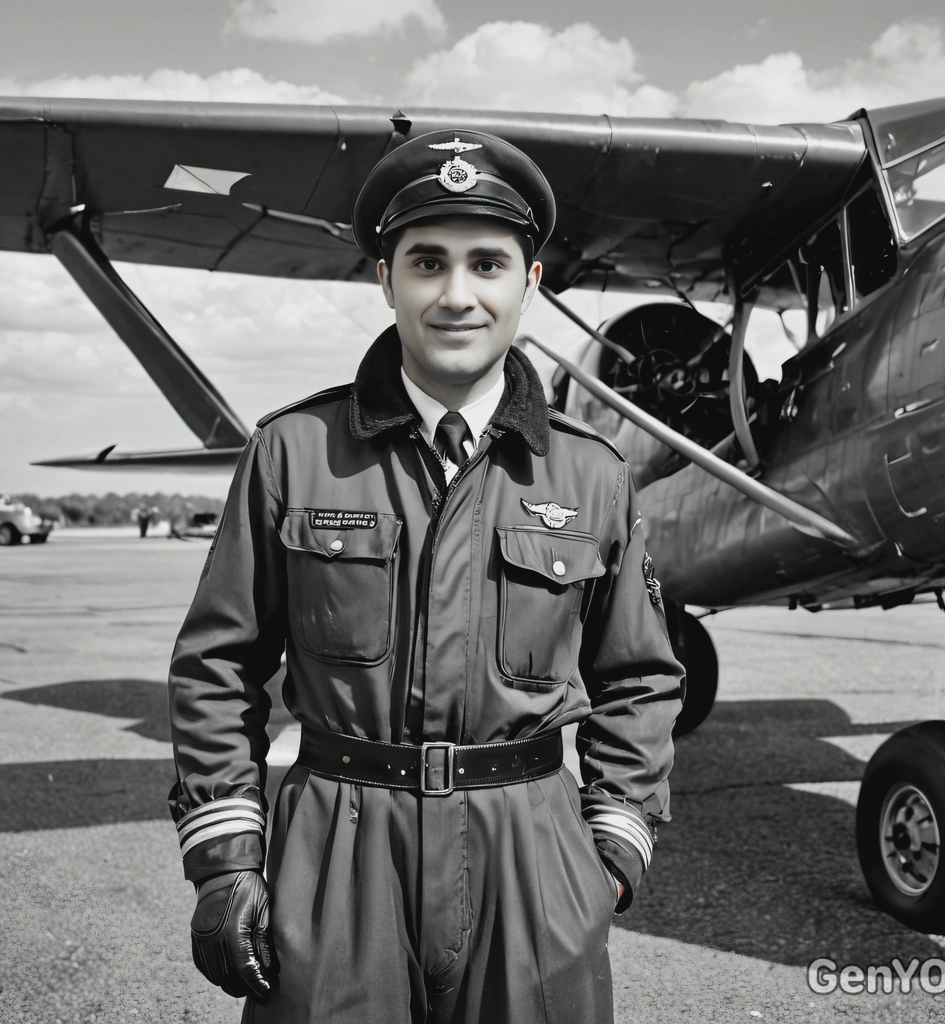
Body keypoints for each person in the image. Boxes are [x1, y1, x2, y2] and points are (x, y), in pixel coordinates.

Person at [167, 128, 683, 1024]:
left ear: (529, 283)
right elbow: (218, 663)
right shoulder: (293, 453)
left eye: (488, 265)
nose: (456, 295)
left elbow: (639, 677)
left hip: (533, 852)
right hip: (337, 848)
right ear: (386, 278)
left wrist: (609, 851)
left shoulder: (595, 474)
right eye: (427, 262)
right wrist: (226, 856)